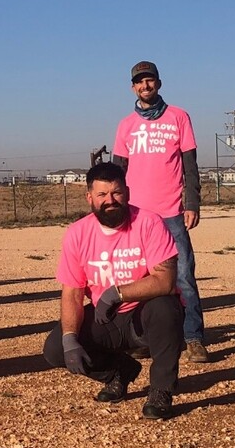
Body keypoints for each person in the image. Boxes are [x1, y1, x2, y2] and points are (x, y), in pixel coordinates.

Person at [42, 161, 182, 420]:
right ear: (89, 197)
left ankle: (161, 390)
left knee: (166, 306)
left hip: (143, 316)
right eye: (102, 194)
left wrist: (116, 293)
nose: (110, 200)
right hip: (106, 318)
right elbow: (72, 293)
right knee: (55, 348)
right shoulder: (77, 234)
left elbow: (165, 281)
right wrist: (70, 338)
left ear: (127, 193)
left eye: (116, 192)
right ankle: (118, 372)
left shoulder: (149, 223)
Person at [112, 60, 209, 364]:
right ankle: (145, 338)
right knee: (141, 279)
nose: (145, 86)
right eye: (139, 82)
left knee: (183, 276)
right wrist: (115, 210)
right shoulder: (126, 125)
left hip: (171, 213)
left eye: (150, 80)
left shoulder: (179, 117)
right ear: (133, 88)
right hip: (136, 216)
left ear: (159, 83)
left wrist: (191, 203)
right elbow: (117, 172)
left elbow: (190, 166)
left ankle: (193, 338)